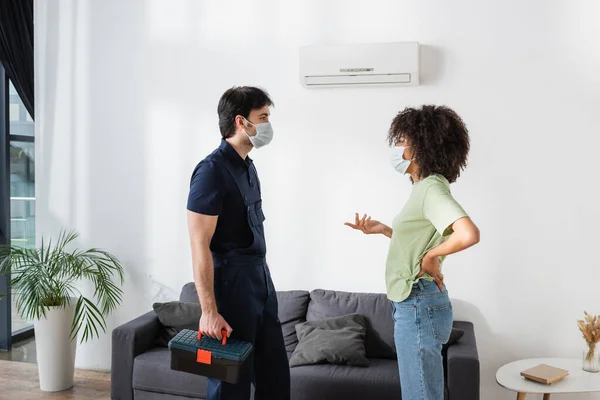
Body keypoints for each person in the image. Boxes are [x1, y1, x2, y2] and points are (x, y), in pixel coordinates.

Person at [345, 105, 480, 400]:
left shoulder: (432, 188)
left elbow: (468, 233)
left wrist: (432, 258)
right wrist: (385, 230)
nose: (398, 149)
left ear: (421, 148)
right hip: (416, 301)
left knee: (421, 395)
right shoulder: (425, 189)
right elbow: (423, 240)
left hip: (418, 302)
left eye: (402, 141)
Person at [186, 86, 290, 400]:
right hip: (230, 288)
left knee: (275, 381)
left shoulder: (248, 167)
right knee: (229, 385)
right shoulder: (210, 172)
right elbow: (198, 244)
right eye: (263, 117)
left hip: (260, 282)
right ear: (241, 122)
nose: (268, 124)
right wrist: (209, 311)